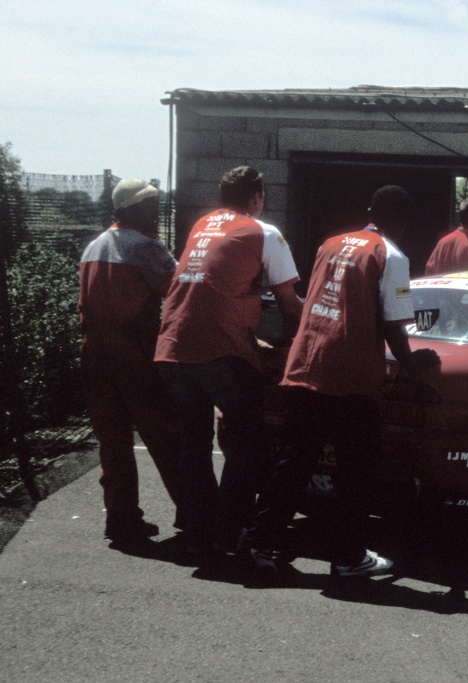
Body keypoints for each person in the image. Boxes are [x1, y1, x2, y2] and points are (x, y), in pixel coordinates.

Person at [243, 185, 440, 580]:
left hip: (308, 361)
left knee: (292, 461)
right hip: (350, 372)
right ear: (402, 222)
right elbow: (393, 323)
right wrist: (413, 370)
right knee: (356, 470)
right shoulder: (392, 255)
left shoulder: (330, 244)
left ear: (369, 209)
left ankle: (259, 544)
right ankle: (349, 557)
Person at [155, 166, 304, 555]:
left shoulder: (202, 225)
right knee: (247, 444)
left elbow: (210, 290)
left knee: (194, 443)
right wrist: (296, 345)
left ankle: (198, 527)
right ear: (257, 197)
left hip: (172, 347)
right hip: (219, 351)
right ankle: (231, 531)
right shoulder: (264, 232)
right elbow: (290, 305)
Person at [79, 179, 182, 542]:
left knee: (113, 439)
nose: (157, 211)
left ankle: (120, 517)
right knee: (165, 433)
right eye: (150, 204)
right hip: (133, 352)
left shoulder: (93, 247)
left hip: (93, 353)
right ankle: (194, 513)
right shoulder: (147, 248)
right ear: (131, 210)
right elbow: (180, 290)